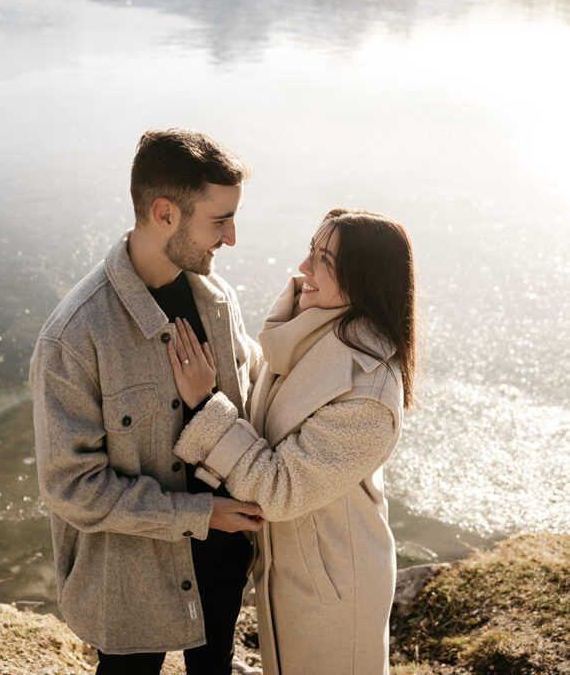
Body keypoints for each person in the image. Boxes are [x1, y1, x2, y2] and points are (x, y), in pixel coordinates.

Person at [30, 129, 264, 675]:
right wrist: (200, 514)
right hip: (131, 578)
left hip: (223, 556)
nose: (231, 238)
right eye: (220, 220)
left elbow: (252, 399)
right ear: (164, 212)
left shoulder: (218, 299)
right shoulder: (73, 336)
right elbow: (71, 486)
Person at [169, 208, 417, 675]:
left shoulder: (369, 393)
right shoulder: (312, 337)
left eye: (324, 259)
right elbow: (267, 407)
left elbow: (280, 487)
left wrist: (205, 403)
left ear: (363, 279)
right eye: (311, 249)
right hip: (292, 571)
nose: (304, 267)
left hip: (337, 587)